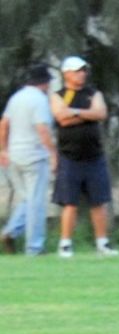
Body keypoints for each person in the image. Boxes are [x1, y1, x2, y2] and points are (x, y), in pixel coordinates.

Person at [50, 56, 118, 258]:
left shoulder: (93, 93)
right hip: (69, 157)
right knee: (70, 202)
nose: (82, 74)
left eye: (83, 70)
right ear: (67, 74)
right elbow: (61, 118)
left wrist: (75, 112)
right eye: (77, 71)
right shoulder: (58, 95)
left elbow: (100, 112)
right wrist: (85, 113)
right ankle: (65, 244)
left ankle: (102, 243)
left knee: (98, 201)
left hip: (94, 156)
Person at [0, 64, 57, 256]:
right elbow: (42, 129)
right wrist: (53, 153)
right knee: (36, 202)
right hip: (34, 155)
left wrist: (3, 150)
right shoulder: (39, 100)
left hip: (14, 155)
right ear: (45, 82)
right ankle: (34, 247)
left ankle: (10, 231)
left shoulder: (16, 98)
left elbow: (4, 125)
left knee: (27, 199)